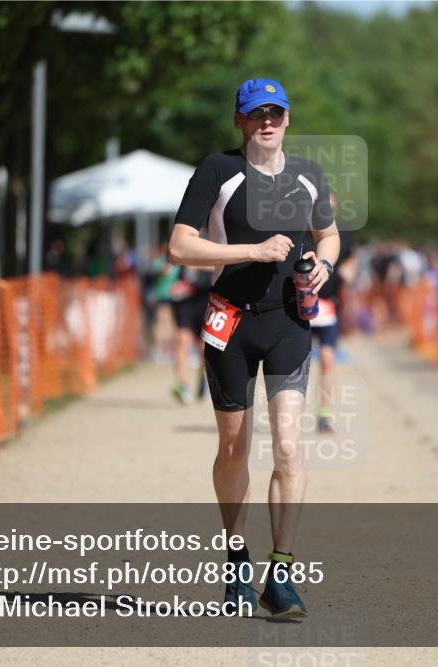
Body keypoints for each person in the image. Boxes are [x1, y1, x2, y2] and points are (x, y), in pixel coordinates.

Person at [167, 77, 340, 618]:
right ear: (240, 121)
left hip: (288, 321)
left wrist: (323, 268)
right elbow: (178, 246)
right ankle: (237, 561)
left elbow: (329, 234)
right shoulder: (218, 170)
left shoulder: (309, 175)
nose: (267, 121)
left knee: (289, 445)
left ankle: (281, 573)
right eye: (256, 113)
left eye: (276, 112)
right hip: (230, 323)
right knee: (235, 448)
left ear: (288, 119)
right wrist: (255, 250)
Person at [307, 195, 351, 434]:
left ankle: (324, 414)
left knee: (327, 359)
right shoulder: (303, 232)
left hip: (329, 307)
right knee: (296, 365)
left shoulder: (343, 234)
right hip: (303, 305)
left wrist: (348, 271)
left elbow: (350, 258)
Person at [169, 265, 210, 403]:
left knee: (204, 347)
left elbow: (220, 264)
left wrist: (200, 268)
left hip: (204, 298)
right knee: (181, 339)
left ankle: (203, 378)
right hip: (184, 300)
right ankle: (183, 385)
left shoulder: (211, 243)